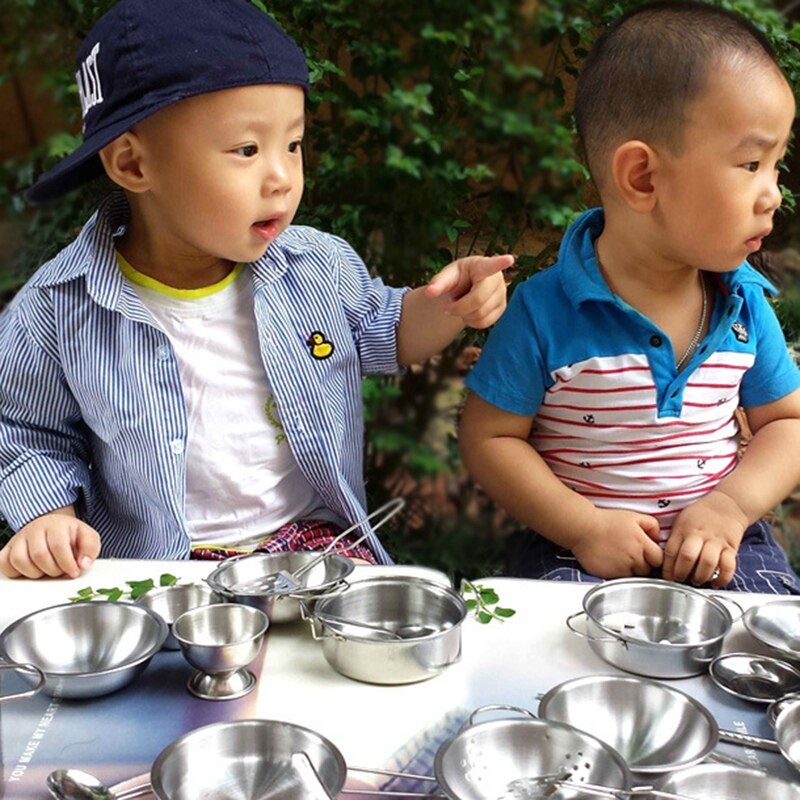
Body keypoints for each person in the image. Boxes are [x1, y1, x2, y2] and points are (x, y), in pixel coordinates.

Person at [0, 0, 513, 579]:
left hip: (317, 543)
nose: (283, 178)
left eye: (292, 145)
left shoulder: (314, 265)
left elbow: (387, 332)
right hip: (161, 566)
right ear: (134, 165)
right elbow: (25, 431)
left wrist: (447, 305)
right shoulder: (58, 308)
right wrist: (46, 516)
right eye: (247, 150)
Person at [459, 0, 800, 593]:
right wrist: (583, 526)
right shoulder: (545, 311)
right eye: (750, 163)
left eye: (777, 164)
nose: (773, 193)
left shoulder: (743, 306)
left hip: (725, 546)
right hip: (577, 549)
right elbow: (489, 438)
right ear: (643, 177)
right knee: (550, 656)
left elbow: (787, 424)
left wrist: (731, 508)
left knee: (769, 650)